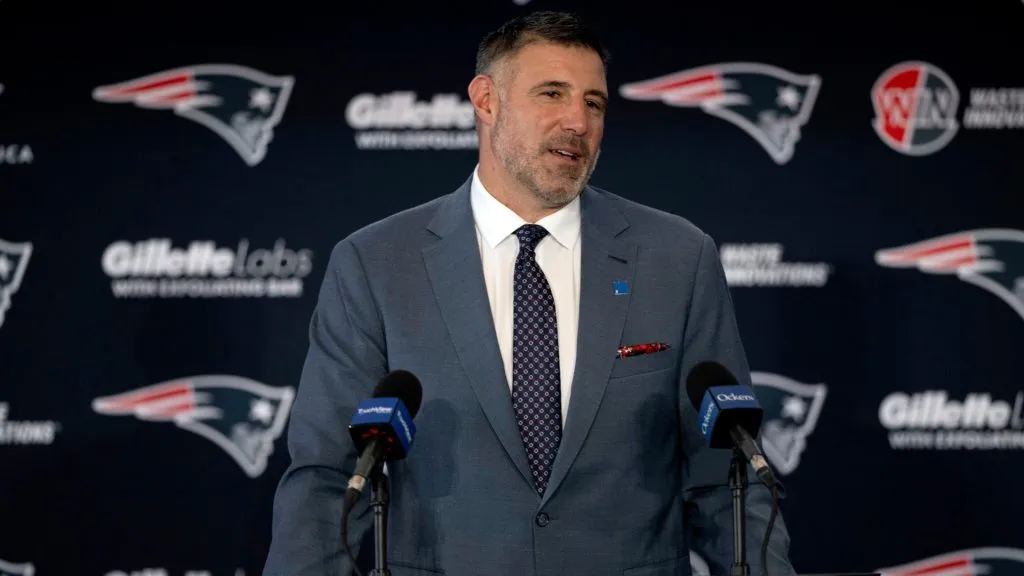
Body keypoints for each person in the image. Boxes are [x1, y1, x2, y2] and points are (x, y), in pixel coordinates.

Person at [263, 10, 796, 576]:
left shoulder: (677, 258)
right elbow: (326, 479)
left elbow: (726, 478)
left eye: (594, 103)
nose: (578, 121)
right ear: (486, 99)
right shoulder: (375, 263)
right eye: (552, 93)